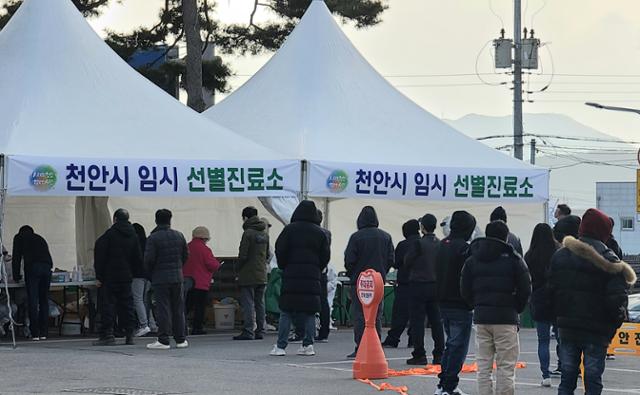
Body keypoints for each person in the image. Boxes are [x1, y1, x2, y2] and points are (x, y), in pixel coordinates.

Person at [549, 208, 636, 395]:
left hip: (567, 329)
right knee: (593, 380)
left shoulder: (560, 256)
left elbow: (551, 292)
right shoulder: (611, 261)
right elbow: (617, 301)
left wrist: (557, 319)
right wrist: (612, 326)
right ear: (603, 232)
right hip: (596, 332)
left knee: (567, 380)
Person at [461, 220, 531, 395]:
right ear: (506, 237)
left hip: (482, 317)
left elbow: (464, 288)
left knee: (483, 367)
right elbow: (525, 288)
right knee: (506, 367)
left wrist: (475, 305)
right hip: (506, 318)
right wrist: (517, 308)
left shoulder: (473, 258)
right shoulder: (514, 259)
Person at [270, 200, 330, 356]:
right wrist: (317, 267)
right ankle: (308, 345)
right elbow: (325, 255)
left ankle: (281, 346)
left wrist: (284, 265)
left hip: (292, 275)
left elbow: (280, 249)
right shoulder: (320, 233)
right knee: (310, 311)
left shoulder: (289, 230)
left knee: (286, 311)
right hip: (312, 276)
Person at [434, 210, 476, 395]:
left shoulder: (442, 244)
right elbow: (469, 276)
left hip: (442, 301)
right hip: (460, 302)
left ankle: (444, 383)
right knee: (457, 346)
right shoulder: (465, 248)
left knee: (450, 344)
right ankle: (448, 385)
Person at [344, 206, 394, 359]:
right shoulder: (386, 237)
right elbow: (391, 259)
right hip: (378, 281)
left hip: (359, 282)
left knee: (360, 315)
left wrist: (355, 274)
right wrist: (381, 273)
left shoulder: (356, 237)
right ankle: (375, 346)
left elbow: (349, 260)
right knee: (376, 315)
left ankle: (361, 346)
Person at [92, 209, 142, 346]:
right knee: (127, 306)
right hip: (126, 277)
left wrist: (99, 276)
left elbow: (100, 256)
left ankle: (108, 335)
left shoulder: (109, 235)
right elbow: (138, 258)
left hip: (110, 277)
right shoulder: (133, 236)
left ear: (114, 219)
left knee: (108, 306)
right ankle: (129, 334)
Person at [145, 209, 189, 350]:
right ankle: (181, 339)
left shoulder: (153, 238)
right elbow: (185, 256)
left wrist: (151, 273)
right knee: (178, 309)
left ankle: (163, 340)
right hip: (177, 277)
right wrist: (178, 267)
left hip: (160, 278)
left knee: (163, 309)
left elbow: (148, 260)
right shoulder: (179, 235)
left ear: (156, 220)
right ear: (170, 219)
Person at [405, 214, 445, 365]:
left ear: (422, 227)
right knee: (436, 321)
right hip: (435, 285)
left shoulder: (418, 244)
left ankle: (419, 354)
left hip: (418, 285)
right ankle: (439, 353)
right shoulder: (440, 243)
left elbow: (407, 261)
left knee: (417, 321)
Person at [524, 223, 561, 387]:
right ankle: (566, 370)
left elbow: (527, 280)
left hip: (538, 300)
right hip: (558, 300)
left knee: (543, 340)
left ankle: (545, 375)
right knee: (562, 340)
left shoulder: (529, 255)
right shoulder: (559, 253)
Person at [382, 219, 420, 349]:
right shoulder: (424, 243)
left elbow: (396, 262)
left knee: (399, 313)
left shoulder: (403, 245)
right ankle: (413, 339)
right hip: (420, 284)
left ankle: (393, 338)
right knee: (417, 313)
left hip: (404, 283)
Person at [234, 206, 269, 341]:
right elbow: (267, 255)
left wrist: (238, 269)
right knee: (260, 303)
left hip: (248, 274)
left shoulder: (248, 233)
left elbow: (243, 255)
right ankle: (260, 330)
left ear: (246, 218)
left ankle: (248, 331)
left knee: (248, 303)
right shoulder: (264, 233)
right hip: (262, 273)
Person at [11, 225, 53, 341]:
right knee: (44, 300)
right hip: (47, 267)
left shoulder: (19, 237)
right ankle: (44, 332)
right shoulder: (39, 238)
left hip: (33, 268)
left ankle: (35, 333)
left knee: (33, 300)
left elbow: (16, 257)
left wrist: (16, 276)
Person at [183, 226, 221, 335]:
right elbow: (211, 265)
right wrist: (218, 264)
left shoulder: (186, 247)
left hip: (187, 282)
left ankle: (180, 325)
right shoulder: (205, 249)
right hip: (201, 283)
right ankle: (197, 328)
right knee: (199, 307)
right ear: (205, 238)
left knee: (186, 306)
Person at [131, 223, 154, 337]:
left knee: (137, 300)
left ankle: (144, 325)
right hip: (148, 276)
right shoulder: (148, 243)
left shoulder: (133, 244)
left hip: (136, 275)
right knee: (145, 301)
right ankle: (152, 324)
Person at [315, 209, 332, 343]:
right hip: (323, 271)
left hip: (312, 270)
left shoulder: (312, 232)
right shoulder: (326, 233)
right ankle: (324, 330)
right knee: (323, 301)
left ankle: (303, 330)